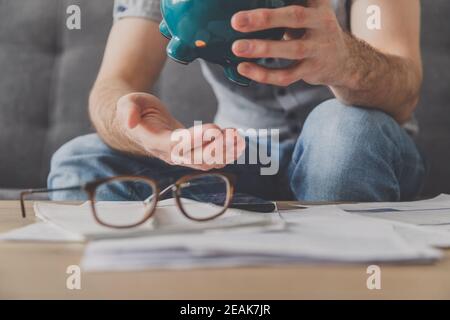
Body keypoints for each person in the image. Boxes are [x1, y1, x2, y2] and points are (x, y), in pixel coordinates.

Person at [48, 0, 425, 202]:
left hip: (353, 146)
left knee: (343, 135)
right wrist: (146, 135)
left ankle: (229, 216)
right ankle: (238, 220)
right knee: (81, 162)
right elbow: (114, 86)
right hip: (240, 153)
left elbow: (405, 94)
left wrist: (347, 65)